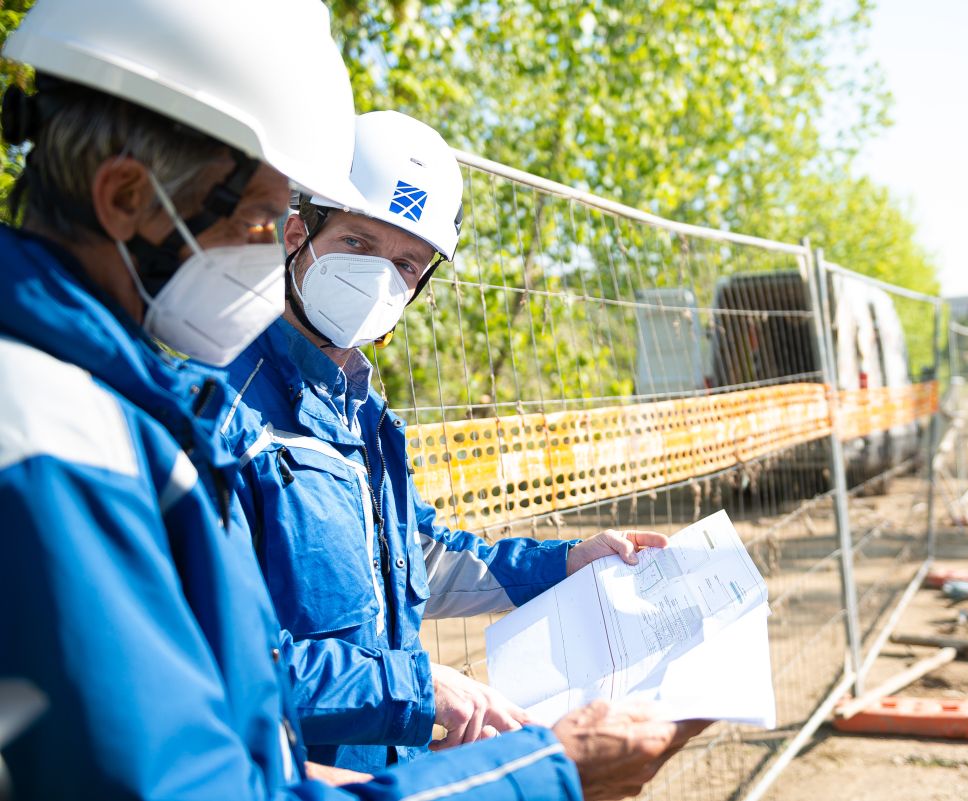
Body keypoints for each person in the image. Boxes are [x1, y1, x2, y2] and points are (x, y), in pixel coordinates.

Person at [0, 1, 700, 798]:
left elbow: (400, 565)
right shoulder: (78, 431)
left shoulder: (309, 411)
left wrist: (561, 562)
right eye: (266, 217)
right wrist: (538, 771)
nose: (269, 246)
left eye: (407, 264)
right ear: (126, 196)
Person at [221, 109, 671, 772]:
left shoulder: (366, 416)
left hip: (383, 773)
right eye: (360, 244)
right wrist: (419, 688)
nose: (381, 276)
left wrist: (566, 561)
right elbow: (216, 657)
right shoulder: (223, 411)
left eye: (407, 263)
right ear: (296, 234)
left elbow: (419, 560)